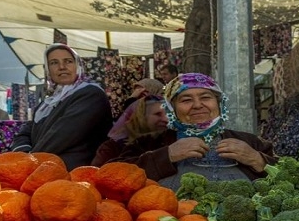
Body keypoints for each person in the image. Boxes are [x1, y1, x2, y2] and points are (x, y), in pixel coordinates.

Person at [107, 72, 277, 190]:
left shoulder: (250, 142)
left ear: (219, 103)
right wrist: (167, 155)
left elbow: (291, 177)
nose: (197, 105)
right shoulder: (148, 142)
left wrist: (258, 160)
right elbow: (111, 177)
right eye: (186, 100)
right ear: (172, 108)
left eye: (205, 97)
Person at [11, 43, 113, 171]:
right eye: (54, 63)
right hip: (44, 170)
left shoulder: (90, 94)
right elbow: (24, 134)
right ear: (48, 69)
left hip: (75, 175)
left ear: (78, 65)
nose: (62, 67)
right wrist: (24, 154)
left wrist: (30, 162)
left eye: (68, 61)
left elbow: (61, 136)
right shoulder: (48, 103)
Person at [92, 94, 169, 166]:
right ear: (140, 116)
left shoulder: (169, 140)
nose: (166, 119)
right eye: (158, 114)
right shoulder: (112, 148)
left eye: (168, 114)